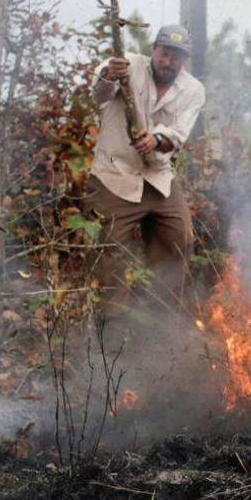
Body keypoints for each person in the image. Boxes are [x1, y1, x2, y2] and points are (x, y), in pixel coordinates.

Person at [87, 24, 207, 313]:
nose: (169, 62)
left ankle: (159, 320)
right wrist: (108, 76)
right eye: (165, 54)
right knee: (109, 254)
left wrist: (156, 140)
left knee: (178, 239)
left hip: (158, 178)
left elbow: (177, 136)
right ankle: (110, 328)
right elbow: (98, 96)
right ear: (154, 50)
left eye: (176, 58)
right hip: (115, 176)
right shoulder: (125, 65)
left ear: (184, 60)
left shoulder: (193, 90)